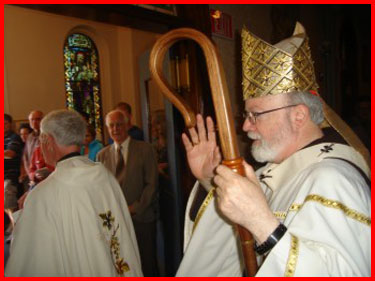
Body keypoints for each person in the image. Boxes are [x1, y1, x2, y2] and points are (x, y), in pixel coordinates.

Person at [177, 22, 370, 277]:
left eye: (256, 114)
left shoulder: (334, 181)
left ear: (299, 116)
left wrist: (263, 224)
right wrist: (210, 178)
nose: (246, 126)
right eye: (246, 114)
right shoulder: (276, 170)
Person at [5, 109, 142, 277]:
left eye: (41, 139)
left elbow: (28, 261)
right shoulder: (105, 177)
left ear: (48, 140)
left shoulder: (42, 195)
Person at [97, 110, 158, 276]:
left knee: (147, 263)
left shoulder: (145, 149)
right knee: (123, 264)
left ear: (128, 125)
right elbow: (101, 189)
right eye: (112, 126)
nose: (115, 129)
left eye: (119, 124)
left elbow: (151, 184)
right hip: (115, 220)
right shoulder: (102, 156)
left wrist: (134, 207)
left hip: (141, 217)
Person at [4, 114, 24, 211]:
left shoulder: (14, 137)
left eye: (5, 123)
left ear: (10, 124)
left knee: (8, 209)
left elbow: (10, 153)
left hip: (9, 178)